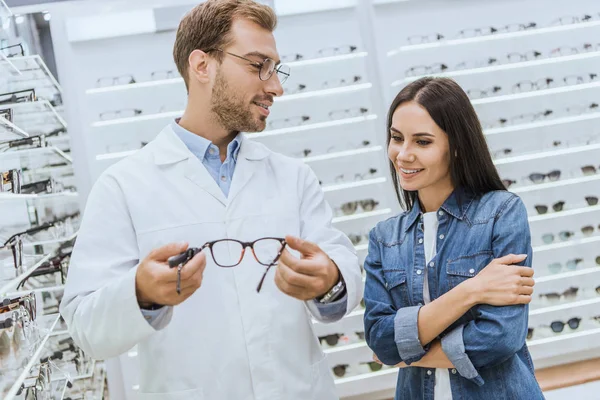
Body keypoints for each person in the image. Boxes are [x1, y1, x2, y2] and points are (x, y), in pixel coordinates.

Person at [59, 1, 363, 399]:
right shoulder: (123, 186)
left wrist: (330, 281)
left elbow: (342, 274)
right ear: (202, 65)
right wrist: (141, 293)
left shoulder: (293, 178)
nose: (275, 86)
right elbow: (85, 327)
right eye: (259, 66)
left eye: (276, 69)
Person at [363, 77, 544, 399]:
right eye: (396, 138)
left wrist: (406, 354)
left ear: (457, 146)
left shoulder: (501, 213)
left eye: (422, 142)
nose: (403, 155)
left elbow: (500, 338)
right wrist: (472, 290)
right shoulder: (384, 238)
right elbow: (380, 339)